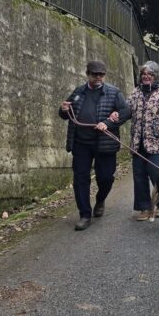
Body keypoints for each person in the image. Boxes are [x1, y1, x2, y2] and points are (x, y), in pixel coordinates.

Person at [58, 60, 130, 231]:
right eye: (94, 74)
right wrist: (63, 109)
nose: (98, 77)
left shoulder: (113, 93)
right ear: (87, 74)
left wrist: (108, 122)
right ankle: (84, 214)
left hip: (104, 144)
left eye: (101, 74)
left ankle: (100, 199)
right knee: (80, 179)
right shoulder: (78, 92)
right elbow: (65, 114)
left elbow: (126, 112)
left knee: (106, 178)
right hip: (81, 143)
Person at [125, 61, 159, 221]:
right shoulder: (136, 92)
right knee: (139, 174)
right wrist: (114, 115)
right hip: (138, 141)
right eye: (143, 74)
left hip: (158, 141)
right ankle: (144, 208)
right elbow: (126, 108)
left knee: (156, 172)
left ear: (156, 76)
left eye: (150, 74)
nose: (146, 77)